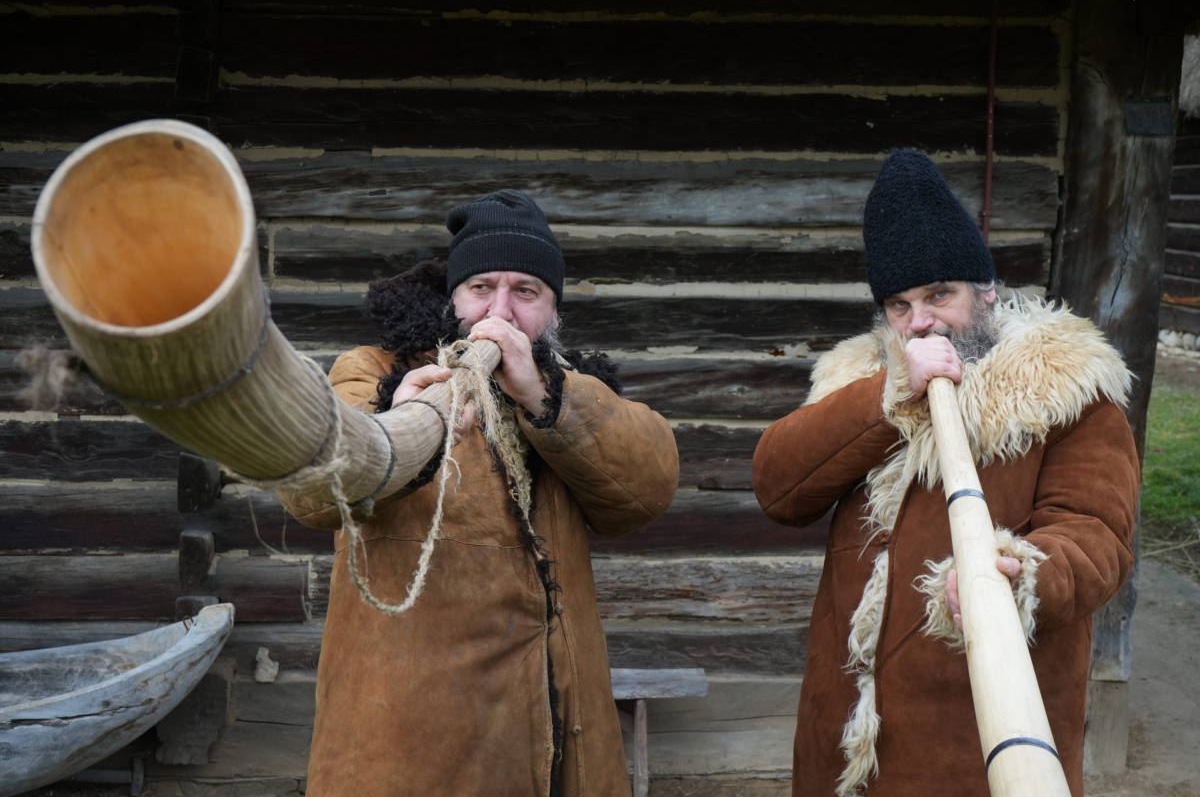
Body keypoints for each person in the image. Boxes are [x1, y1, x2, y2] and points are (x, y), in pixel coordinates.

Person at [752, 150, 1140, 797]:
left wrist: (1022, 573)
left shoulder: (1069, 392)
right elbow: (779, 489)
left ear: (985, 292)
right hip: (844, 730)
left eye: (939, 295)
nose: (921, 321)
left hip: (978, 735)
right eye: (900, 305)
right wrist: (885, 401)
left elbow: (1097, 535)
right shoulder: (860, 381)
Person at [280, 190, 679, 797]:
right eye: (481, 288)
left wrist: (544, 396)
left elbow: (645, 490)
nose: (500, 312)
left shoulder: (569, 388)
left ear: (553, 309)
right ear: (453, 297)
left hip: (560, 711)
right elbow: (310, 493)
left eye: (526, 291)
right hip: (413, 727)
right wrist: (399, 420)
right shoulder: (373, 372)